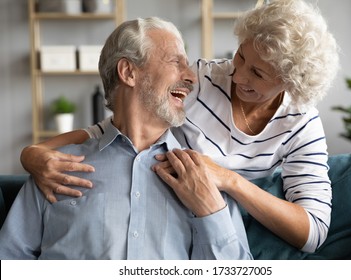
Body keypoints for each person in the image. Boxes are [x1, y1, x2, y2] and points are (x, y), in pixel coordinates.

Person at [20, 0, 339, 254]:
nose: (238, 76)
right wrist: (34, 153)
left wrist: (228, 181)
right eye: (240, 57)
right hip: (181, 206)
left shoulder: (302, 124)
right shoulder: (203, 81)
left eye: (257, 73)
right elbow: (117, 126)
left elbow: (312, 232)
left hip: (222, 215)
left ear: (287, 81)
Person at [0, 17, 252, 260]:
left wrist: (211, 213)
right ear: (128, 72)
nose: (191, 77)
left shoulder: (205, 176)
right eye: (177, 61)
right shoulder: (54, 169)